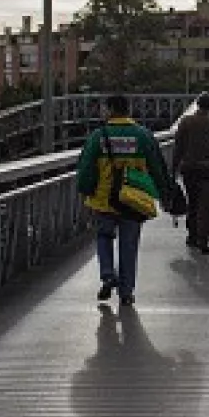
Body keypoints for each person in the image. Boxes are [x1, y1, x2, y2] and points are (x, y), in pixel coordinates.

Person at [76, 94, 172, 306]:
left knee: (104, 236)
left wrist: (85, 190)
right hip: (133, 200)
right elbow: (157, 167)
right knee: (129, 245)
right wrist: (165, 193)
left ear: (110, 110)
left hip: (104, 200)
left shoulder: (98, 136)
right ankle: (126, 292)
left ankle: (108, 274)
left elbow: (85, 169)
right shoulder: (143, 135)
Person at [171, 92, 209, 255]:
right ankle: (203, 240)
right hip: (207, 169)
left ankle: (192, 236)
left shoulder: (185, 122)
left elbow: (178, 148)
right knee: (206, 205)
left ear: (197, 104)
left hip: (189, 169)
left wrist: (173, 169)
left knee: (192, 203)